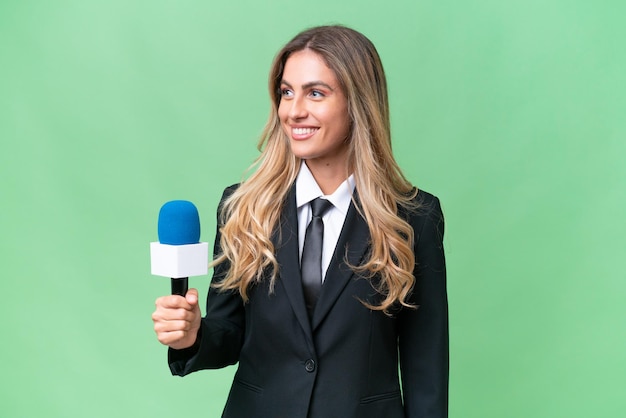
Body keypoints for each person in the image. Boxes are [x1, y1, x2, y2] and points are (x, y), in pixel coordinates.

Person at [152, 25, 448, 418]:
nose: (293, 110)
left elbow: (425, 369)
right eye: (287, 92)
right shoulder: (243, 208)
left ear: (357, 103)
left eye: (316, 93)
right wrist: (192, 335)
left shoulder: (413, 219)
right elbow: (229, 332)